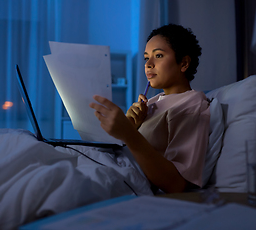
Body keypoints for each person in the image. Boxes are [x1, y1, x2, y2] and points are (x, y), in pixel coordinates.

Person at [89, 24, 210, 193]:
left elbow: (178, 184)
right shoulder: (152, 102)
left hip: (120, 178)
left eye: (158, 55)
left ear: (183, 63)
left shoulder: (192, 103)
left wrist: (128, 133)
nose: (148, 64)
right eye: (146, 58)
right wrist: (131, 125)